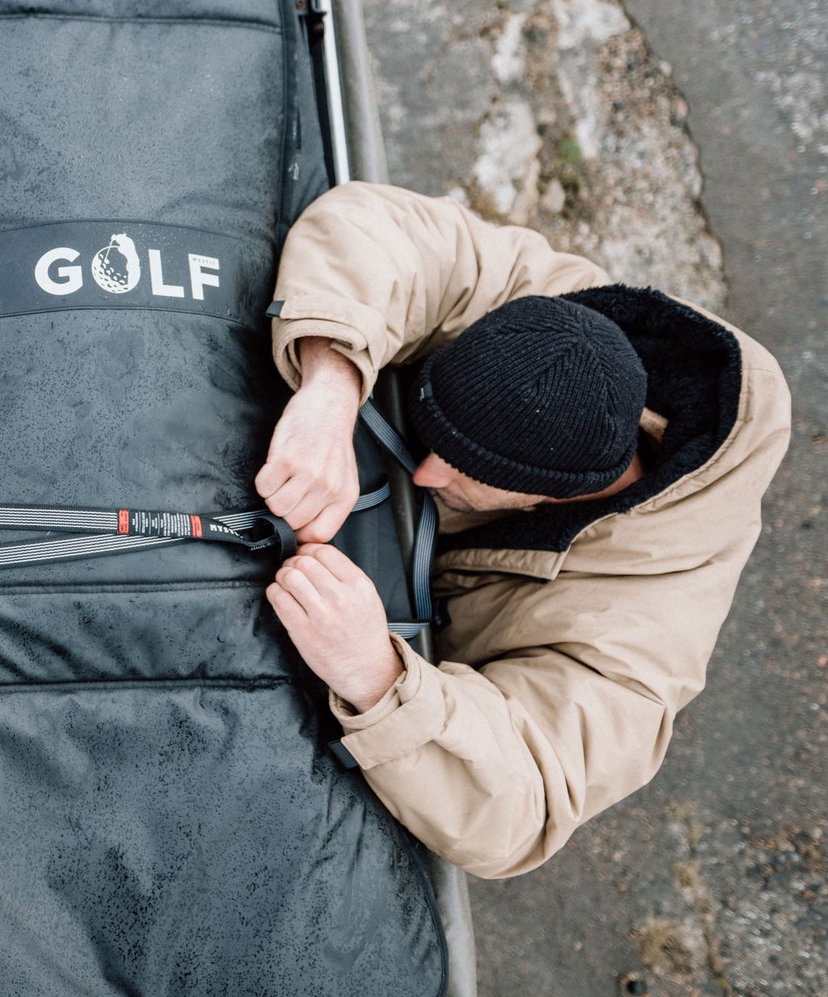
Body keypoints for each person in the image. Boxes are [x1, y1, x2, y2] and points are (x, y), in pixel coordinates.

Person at [253, 182, 789, 878]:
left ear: (551, 493)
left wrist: (375, 675)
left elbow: (524, 806)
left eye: (463, 468)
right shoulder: (556, 323)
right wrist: (330, 386)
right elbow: (373, 224)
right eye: (430, 439)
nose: (424, 473)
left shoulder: (640, 632)